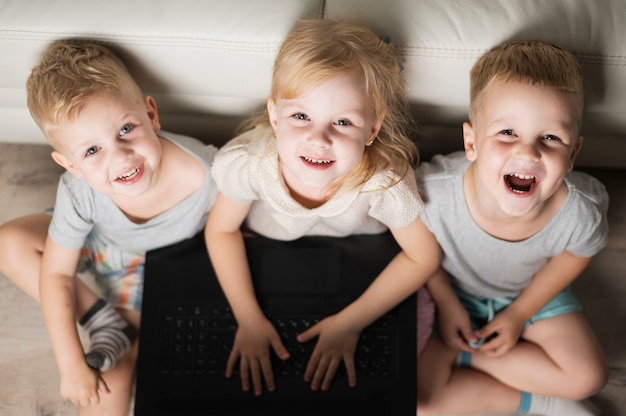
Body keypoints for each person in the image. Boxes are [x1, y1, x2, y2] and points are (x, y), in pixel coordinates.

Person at [204, 18, 441, 397]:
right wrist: (248, 319)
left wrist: (351, 323)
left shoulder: (383, 180)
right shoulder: (248, 162)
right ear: (274, 115)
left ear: (373, 131)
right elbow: (220, 230)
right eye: (301, 116)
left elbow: (423, 255)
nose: (320, 138)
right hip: (269, 249)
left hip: (359, 256)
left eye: (343, 121)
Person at [0, 41, 218, 415]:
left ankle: (120, 333)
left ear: (151, 114)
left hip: (146, 269)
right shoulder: (79, 189)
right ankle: (101, 320)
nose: (119, 156)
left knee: (112, 374)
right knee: (8, 243)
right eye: (91, 151)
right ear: (69, 164)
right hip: (96, 238)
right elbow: (55, 272)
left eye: (126, 129)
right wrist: (69, 363)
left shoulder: (209, 173)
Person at [415, 40, 609, 415]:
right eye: (507, 133)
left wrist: (519, 313)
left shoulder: (580, 211)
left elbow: (578, 253)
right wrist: (444, 299)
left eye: (550, 138)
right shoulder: (433, 192)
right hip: (449, 296)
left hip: (529, 293)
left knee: (588, 377)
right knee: (420, 404)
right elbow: (418, 248)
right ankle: (535, 401)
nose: (528, 152)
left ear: (573, 155)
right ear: (471, 142)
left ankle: (466, 361)